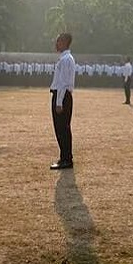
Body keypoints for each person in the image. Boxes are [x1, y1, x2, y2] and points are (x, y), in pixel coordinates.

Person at [49, 33, 76, 170]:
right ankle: (64, 157)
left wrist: (59, 102)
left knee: (62, 128)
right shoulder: (65, 58)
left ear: (65, 42)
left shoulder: (66, 59)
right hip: (61, 95)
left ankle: (67, 159)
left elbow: (63, 83)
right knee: (60, 128)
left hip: (62, 95)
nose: (56, 43)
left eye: (58, 41)